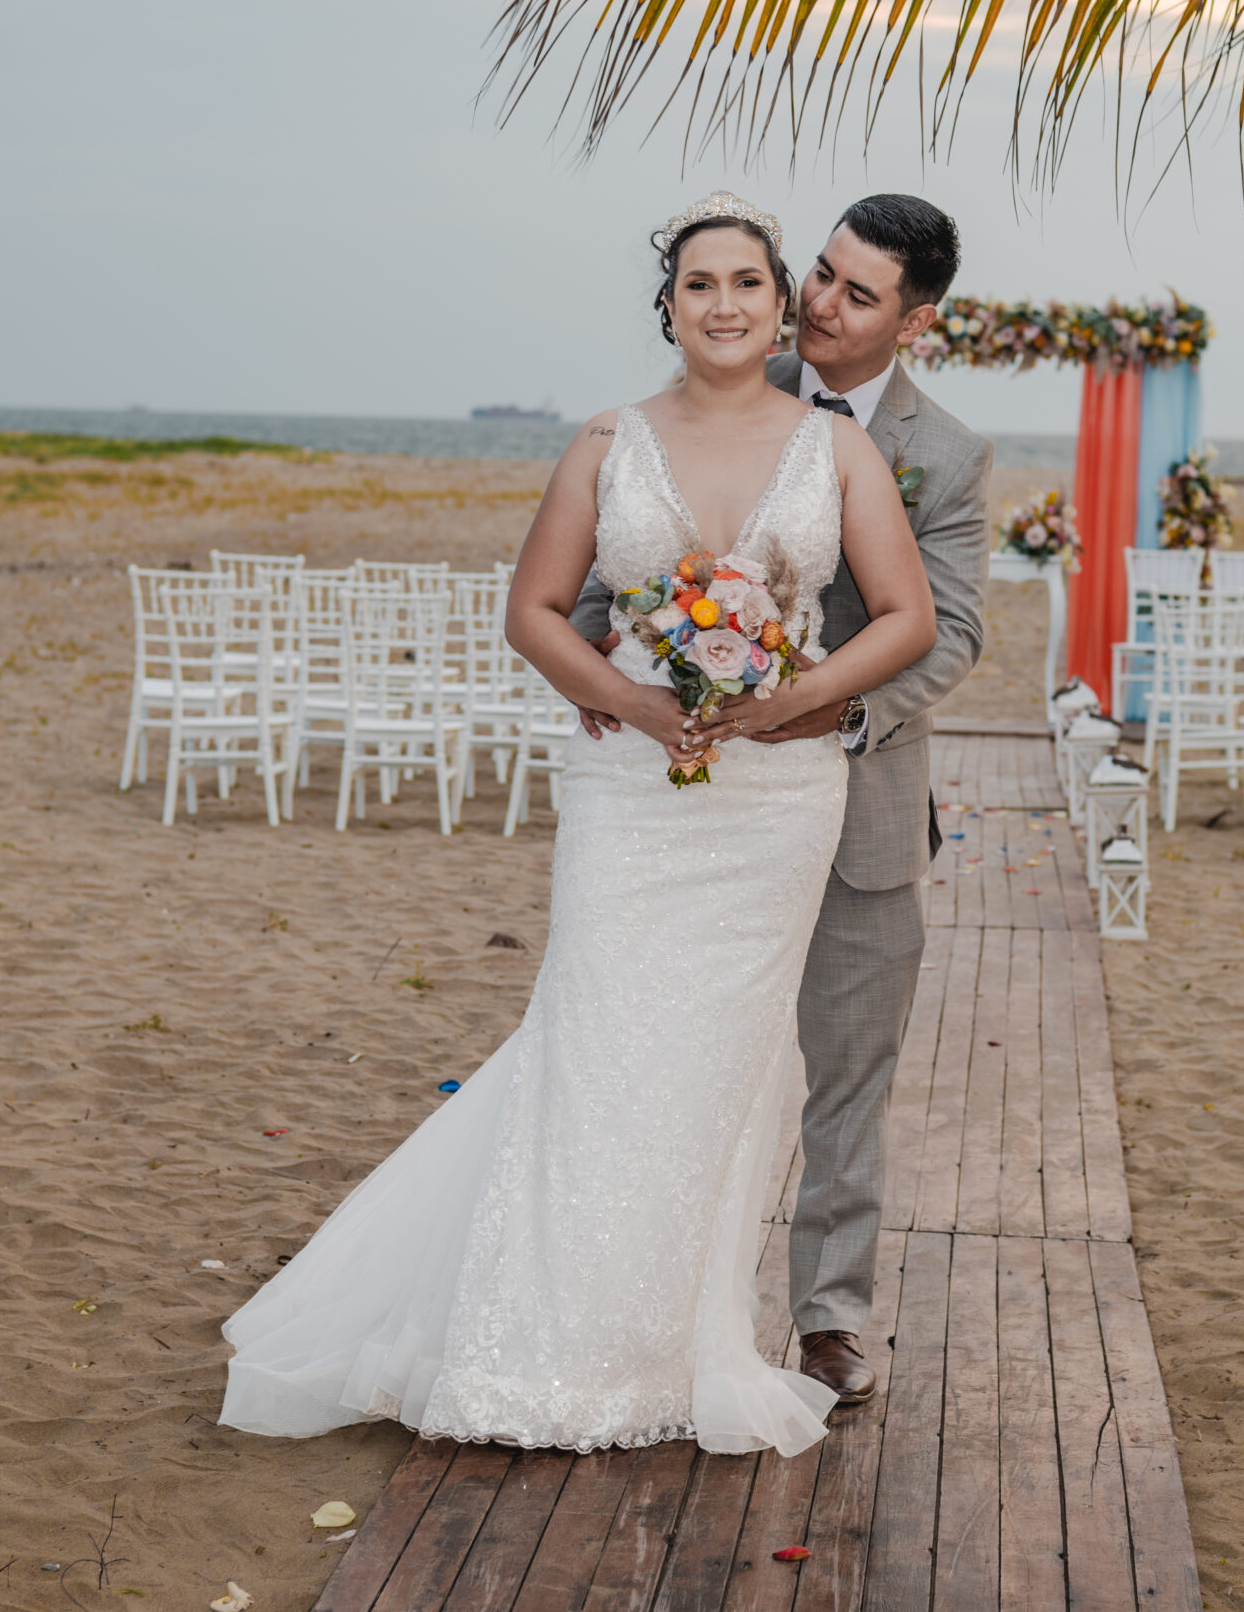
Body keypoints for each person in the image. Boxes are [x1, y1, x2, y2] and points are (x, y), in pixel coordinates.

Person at [219, 194, 936, 1458]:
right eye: (699, 283)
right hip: (628, 792)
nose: (724, 304)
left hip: (775, 802)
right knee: (596, 1036)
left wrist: (794, 697)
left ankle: (670, 1343)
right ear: (668, 305)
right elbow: (536, 610)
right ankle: (541, 1341)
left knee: (718, 1070)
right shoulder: (607, 442)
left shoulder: (836, 451)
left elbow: (907, 618)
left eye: (747, 283)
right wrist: (637, 703)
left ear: (781, 306)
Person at [576, 194, 990, 1408]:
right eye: (818, 272)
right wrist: (602, 650)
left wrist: (838, 714)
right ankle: (649, 1303)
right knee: (670, 1046)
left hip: (856, 804)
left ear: (914, 322)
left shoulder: (943, 453)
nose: (818, 303)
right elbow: (626, 538)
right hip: (695, 801)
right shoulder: (710, 390)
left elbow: (951, 629)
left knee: (847, 1077)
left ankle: (827, 1320)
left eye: (858, 295)